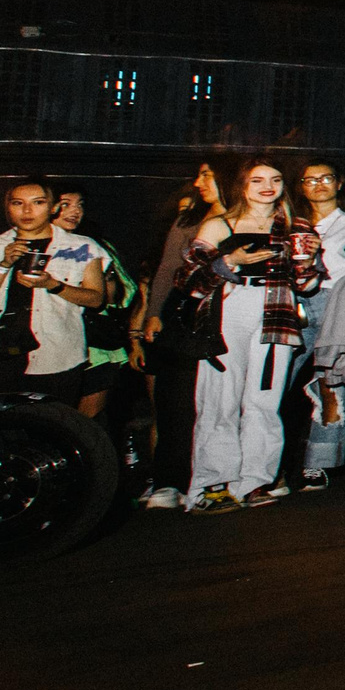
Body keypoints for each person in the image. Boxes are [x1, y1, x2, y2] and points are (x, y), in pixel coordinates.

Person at [184, 159, 325, 512]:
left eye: (275, 179)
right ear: (242, 185)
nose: (267, 186)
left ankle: (255, 481)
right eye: (257, 180)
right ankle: (211, 485)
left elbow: (308, 285)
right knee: (220, 398)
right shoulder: (220, 224)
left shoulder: (297, 226)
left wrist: (307, 266)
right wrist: (230, 262)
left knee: (265, 400)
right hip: (229, 310)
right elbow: (187, 281)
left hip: (276, 312)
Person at [0, 177, 107, 402]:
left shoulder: (82, 247)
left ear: (54, 207)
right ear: (7, 208)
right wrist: (3, 264)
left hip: (55, 357)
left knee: (50, 428)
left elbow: (96, 299)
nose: (27, 211)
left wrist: (53, 285)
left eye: (37, 203)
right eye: (18, 203)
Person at [139, 165, 225, 508]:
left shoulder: (248, 217)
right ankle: (168, 481)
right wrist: (153, 313)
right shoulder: (190, 220)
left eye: (208, 175)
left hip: (228, 318)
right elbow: (167, 269)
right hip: (183, 319)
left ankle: (210, 478)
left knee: (218, 403)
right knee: (175, 400)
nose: (198, 182)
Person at [288, 161, 345, 490]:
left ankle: (319, 464)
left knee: (331, 385)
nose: (319, 185)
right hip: (291, 305)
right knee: (277, 384)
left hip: (334, 301)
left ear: (339, 183)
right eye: (310, 180)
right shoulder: (289, 224)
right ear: (301, 186)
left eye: (326, 178)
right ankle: (270, 463)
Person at [50, 188, 143, 419]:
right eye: (66, 204)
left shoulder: (91, 246)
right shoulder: (29, 246)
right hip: (50, 344)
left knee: (85, 421)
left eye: (80, 204)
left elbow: (120, 295)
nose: (75, 210)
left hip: (95, 343)